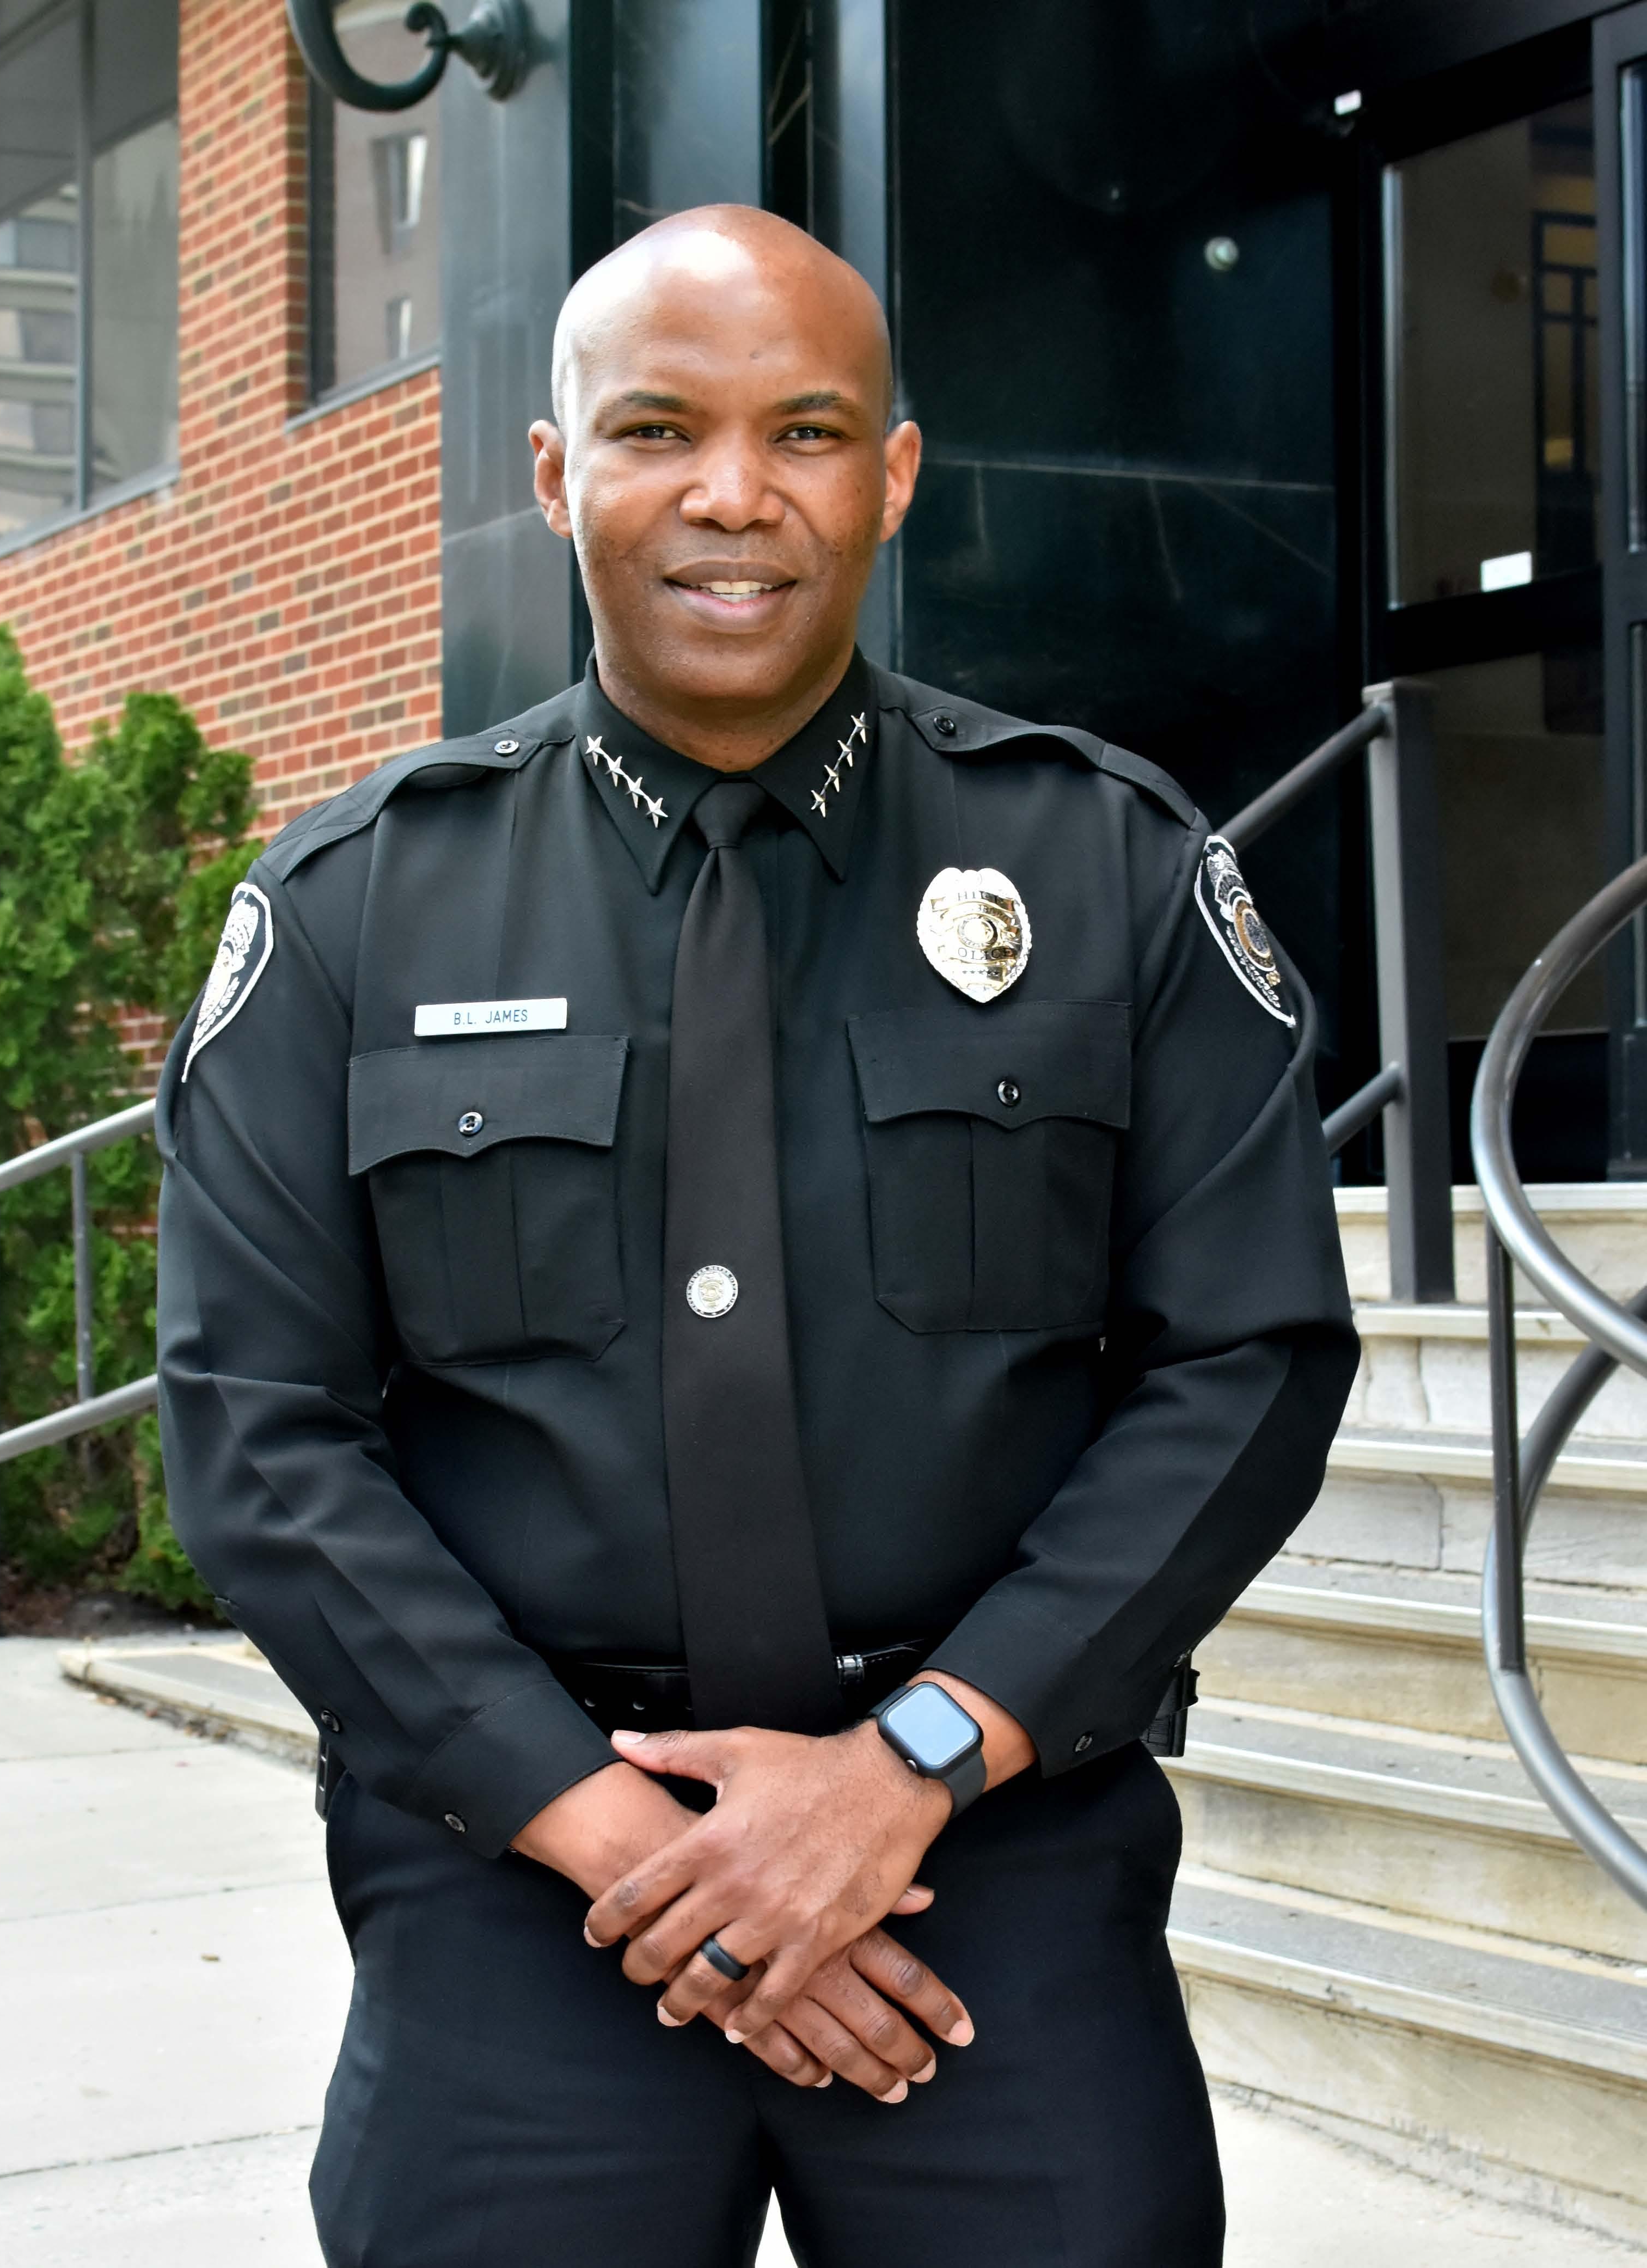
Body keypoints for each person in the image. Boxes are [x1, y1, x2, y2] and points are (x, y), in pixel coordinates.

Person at [156, 204, 1358, 2267]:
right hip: (524, 1881)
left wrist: (899, 1773)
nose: (734, 496)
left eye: (804, 432)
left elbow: (1246, 1366)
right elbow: (258, 1431)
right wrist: (638, 1848)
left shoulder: (1109, 868)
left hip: (989, 1864)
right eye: (658, 432)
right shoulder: (359, 910)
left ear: (893, 475)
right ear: (558, 476)